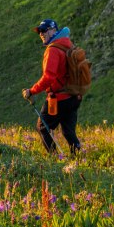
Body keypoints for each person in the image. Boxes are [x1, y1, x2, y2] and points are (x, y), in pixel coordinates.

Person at [22, 19, 82, 155]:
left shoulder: (53, 49)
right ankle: (79, 158)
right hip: (74, 95)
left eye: (44, 30)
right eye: (39, 32)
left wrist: (32, 91)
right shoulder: (68, 44)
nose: (41, 34)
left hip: (59, 98)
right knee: (68, 130)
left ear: (54, 30)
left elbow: (49, 77)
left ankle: (55, 159)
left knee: (43, 127)